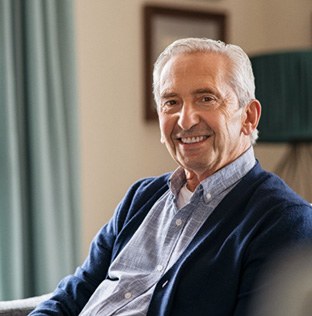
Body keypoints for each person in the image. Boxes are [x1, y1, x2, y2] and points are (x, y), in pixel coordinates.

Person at [30, 38, 312, 316]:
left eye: (206, 98)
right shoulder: (141, 197)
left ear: (249, 117)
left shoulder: (285, 221)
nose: (185, 120)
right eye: (171, 102)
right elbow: (73, 295)